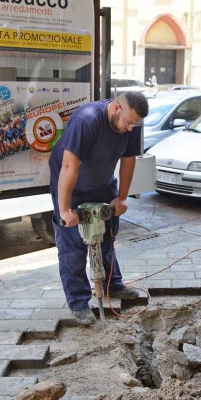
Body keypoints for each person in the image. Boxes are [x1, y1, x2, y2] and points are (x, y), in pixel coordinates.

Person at [48, 91, 149, 325]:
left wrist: (122, 198)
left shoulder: (132, 123)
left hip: (103, 185)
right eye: (128, 122)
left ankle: (113, 285)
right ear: (115, 109)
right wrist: (65, 210)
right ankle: (79, 302)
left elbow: (129, 159)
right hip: (71, 187)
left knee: (107, 239)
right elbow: (68, 166)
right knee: (73, 248)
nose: (131, 128)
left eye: (136, 124)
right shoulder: (86, 120)